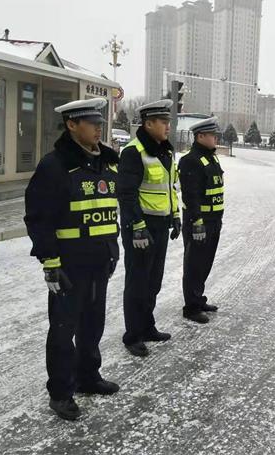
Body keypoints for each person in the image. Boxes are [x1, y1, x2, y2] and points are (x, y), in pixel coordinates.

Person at [24, 98, 120, 421]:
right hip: (68, 267)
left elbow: (108, 210)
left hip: (98, 263)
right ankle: (61, 393)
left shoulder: (105, 163)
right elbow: (38, 218)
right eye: (91, 122)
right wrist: (50, 262)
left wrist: (112, 249)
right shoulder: (54, 166)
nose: (98, 128)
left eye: (100, 123)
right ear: (71, 125)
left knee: (93, 326)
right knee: (64, 331)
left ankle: (88, 377)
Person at [118, 99, 181, 357]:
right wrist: (137, 227)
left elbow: (171, 188)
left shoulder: (165, 151)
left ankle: (147, 326)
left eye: (168, 122)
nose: (168, 126)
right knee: (137, 281)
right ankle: (132, 335)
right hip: (141, 228)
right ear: (148, 123)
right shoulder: (133, 152)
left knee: (153, 280)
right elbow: (126, 194)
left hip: (161, 225)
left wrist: (175, 215)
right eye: (163, 122)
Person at [178, 117, 224, 324]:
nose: (216, 138)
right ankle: (191, 307)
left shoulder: (211, 158)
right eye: (212, 135)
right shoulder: (190, 160)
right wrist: (197, 221)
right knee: (194, 264)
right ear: (200, 136)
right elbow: (190, 195)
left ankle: (199, 298)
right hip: (199, 222)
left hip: (214, 220)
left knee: (205, 263)